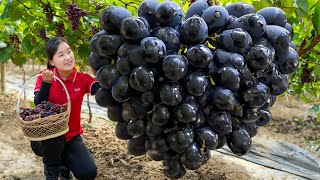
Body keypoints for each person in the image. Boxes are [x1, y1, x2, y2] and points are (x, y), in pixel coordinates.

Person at [30, 37, 101, 180]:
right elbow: (38, 104)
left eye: (69, 52)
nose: (68, 57)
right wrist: (47, 84)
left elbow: (100, 89)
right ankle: (51, 171)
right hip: (44, 138)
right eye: (61, 55)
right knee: (54, 132)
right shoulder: (44, 77)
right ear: (52, 62)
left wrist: (104, 72)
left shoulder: (82, 79)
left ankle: (63, 166)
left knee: (88, 173)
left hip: (70, 136)